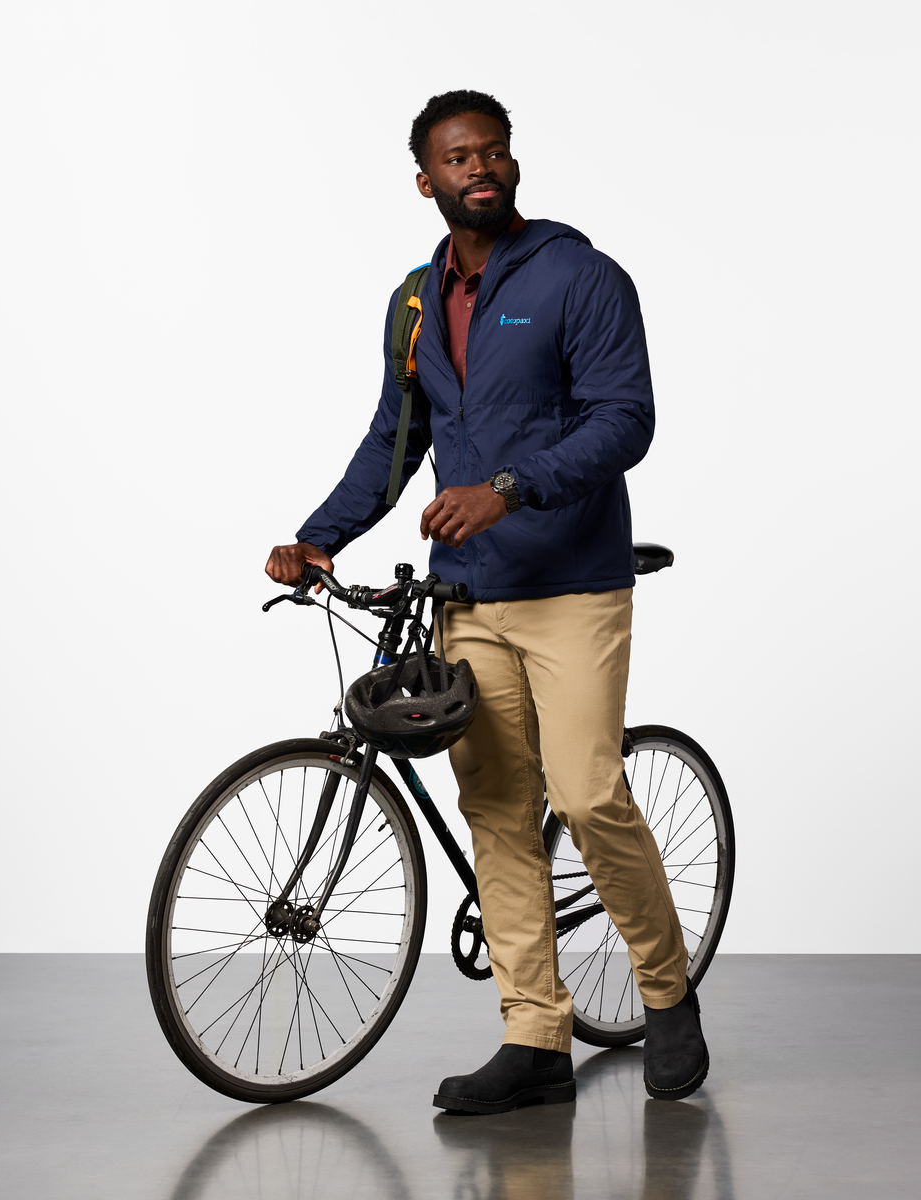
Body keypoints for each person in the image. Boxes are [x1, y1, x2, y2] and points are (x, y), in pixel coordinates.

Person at [265, 89, 709, 1113]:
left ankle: (665, 990)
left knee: (587, 794)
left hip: (573, 587)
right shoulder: (416, 302)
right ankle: (535, 1038)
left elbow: (625, 420)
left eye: (494, 151)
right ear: (425, 179)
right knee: (498, 809)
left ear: (512, 164)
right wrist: (320, 536)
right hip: (469, 596)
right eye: (459, 156)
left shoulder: (581, 277)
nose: (480, 167)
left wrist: (507, 488)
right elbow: (395, 438)